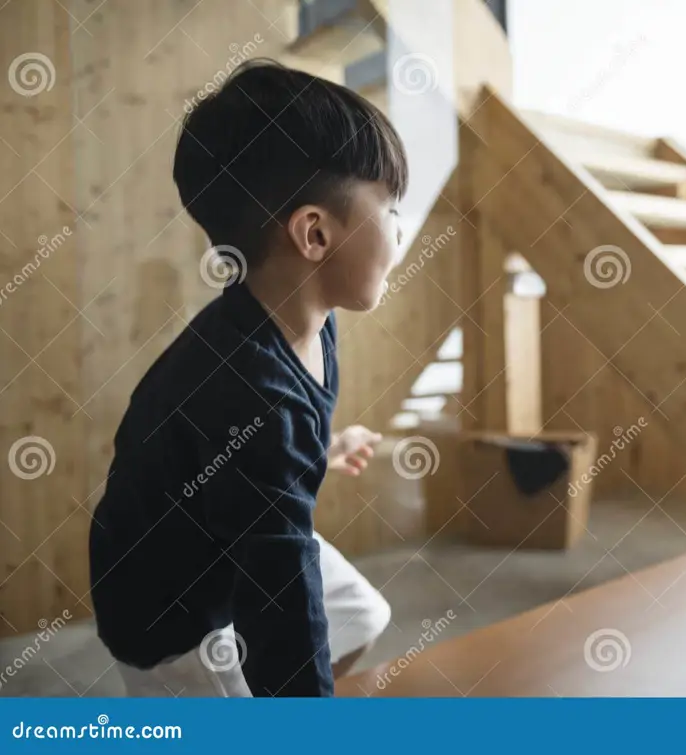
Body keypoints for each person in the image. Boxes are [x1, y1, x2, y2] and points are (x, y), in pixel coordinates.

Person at [88, 60, 408, 697]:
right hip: (172, 605)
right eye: (390, 208)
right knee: (285, 657)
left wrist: (325, 446)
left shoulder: (308, 322)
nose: (400, 231)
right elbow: (281, 612)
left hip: (234, 528)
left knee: (360, 615)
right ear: (314, 233)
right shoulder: (249, 395)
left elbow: (269, 451)